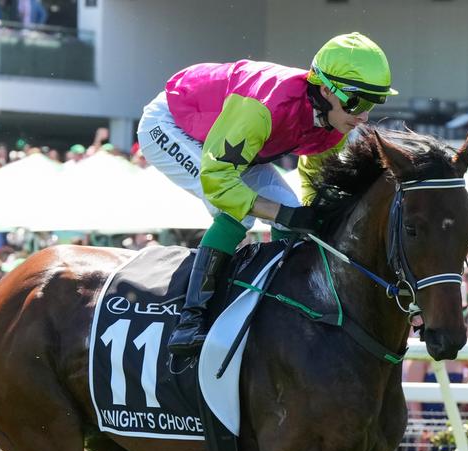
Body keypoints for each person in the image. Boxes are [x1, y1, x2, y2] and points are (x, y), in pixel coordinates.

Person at [137, 32, 396, 356]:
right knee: (240, 210)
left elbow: (316, 183)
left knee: (289, 210)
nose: (364, 116)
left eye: (374, 103)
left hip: (230, 139)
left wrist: (311, 215)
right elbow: (219, 181)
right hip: (171, 124)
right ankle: (191, 319)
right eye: (358, 101)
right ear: (327, 89)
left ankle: (282, 305)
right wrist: (283, 214)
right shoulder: (265, 106)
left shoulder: (334, 124)